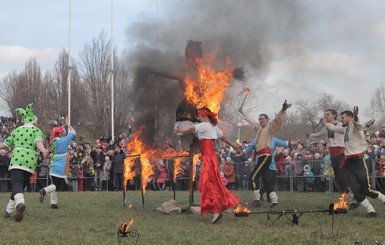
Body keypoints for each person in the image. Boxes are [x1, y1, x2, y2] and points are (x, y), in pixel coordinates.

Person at [174, 107, 241, 224]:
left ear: (205, 115)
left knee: (207, 184)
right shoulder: (214, 126)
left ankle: (217, 209)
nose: (198, 117)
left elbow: (191, 128)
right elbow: (223, 137)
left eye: (199, 115)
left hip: (208, 159)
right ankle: (217, 207)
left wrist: (180, 129)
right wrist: (233, 145)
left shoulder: (204, 125)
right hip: (210, 158)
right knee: (210, 184)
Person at [321, 106, 385, 217]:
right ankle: (371, 210)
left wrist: (356, 116)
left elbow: (357, 123)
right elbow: (334, 128)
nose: (341, 120)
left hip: (358, 161)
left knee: (367, 189)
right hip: (348, 163)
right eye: (341, 118)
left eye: (343, 118)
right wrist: (325, 124)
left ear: (350, 118)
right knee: (355, 190)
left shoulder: (356, 127)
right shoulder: (344, 129)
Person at [0, 103, 49, 221]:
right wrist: (43, 151)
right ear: (32, 121)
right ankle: (8, 210)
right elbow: (38, 142)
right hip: (30, 162)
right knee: (19, 186)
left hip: (17, 160)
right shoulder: (36, 130)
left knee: (17, 184)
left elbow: (4, 144)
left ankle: (20, 204)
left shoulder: (16, 130)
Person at [239, 100, 291, 208]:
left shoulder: (270, 129)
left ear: (267, 120)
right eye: (259, 119)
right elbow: (251, 121)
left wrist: (283, 110)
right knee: (267, 181)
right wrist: (242, 112)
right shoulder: (259, 128)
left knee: (253, 177)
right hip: (261, 157)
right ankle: (275, 201)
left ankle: (257, 200)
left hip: (265, 156)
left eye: (262, 119)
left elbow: (277, 121)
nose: (260, 121)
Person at [39, 116, 76, 209]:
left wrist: (63, 125)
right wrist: (68, 124)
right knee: (56, 185)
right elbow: (73, 132)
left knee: (53, 183)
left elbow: (57, 132)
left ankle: (53, 203)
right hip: (61, 164)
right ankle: (44, 190)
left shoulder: (52, 141)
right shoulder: (64, 141)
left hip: (53, 164)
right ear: (60, 134)